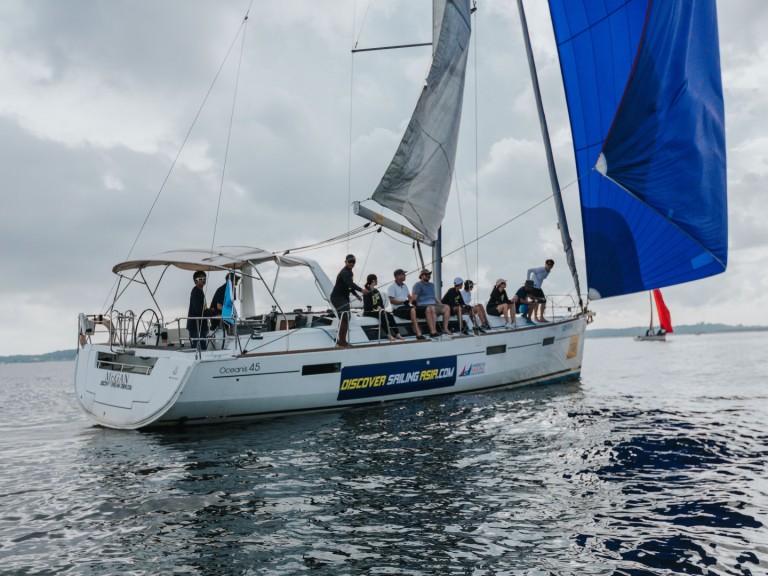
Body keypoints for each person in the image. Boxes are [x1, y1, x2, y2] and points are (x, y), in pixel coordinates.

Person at [330, 254, 367, 347]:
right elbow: (350, 284)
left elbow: (349, 287)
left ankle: (341, 340)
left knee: (345, 318)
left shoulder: (349, 272)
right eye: (349, 261)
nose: (351, 263)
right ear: (345, 261)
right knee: (345, 317)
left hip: (342, 298)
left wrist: (356, 295)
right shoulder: (345, 272)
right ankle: (342, 342)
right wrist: (362, 290)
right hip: (337, 297)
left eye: (353, 262)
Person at [387, 269, 426, 340]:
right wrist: (403, 302)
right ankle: (418, 333)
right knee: (413, 310)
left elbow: (409, 297)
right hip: (397, 309)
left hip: (405, 307)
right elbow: (391, 301)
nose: (405, 275)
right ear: (398, 276)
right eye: (403, 274)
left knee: (423, 309)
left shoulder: (404, 286)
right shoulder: (392, 287)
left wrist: (410, 302)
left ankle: (429, 331)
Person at [412, 269, 451, 338]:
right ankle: (433, 332)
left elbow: (433, 296)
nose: (428, 276)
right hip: (422, 305)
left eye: (429, 274)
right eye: (426, 274)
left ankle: (445, 328)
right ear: (421, 276)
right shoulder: (417, 285)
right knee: (431, 308)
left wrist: (440, 304)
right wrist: (413, 304)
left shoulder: (432, 285)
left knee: (447, 307)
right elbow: (414, 297)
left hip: (433, 304)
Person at [363, 274, 403, 341]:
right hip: (368, 312)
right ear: (373, 280)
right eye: (376, 279)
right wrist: (375, 308)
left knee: (390, 315)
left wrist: (381, 307)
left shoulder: (376, 291)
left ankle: (397, 333)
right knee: (383, 315)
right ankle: (388, 334)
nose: (377, 281)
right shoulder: (366, 291)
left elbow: (380, 302)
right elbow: (367, 304)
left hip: (378, 311)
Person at [187, 270, 209, 350]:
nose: (203, 280)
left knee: (202, 349)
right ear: (195, 281)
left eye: (204, 278)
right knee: (198, 350)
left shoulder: (200, 291)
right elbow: (198, 310)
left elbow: (202, 309)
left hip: (200, 326)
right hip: (196, 327)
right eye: (200, 278)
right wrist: (211, 313)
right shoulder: (196, 292)